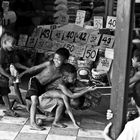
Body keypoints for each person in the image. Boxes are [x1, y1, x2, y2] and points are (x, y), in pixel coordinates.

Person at [19, 48, 70, 130]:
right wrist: (22, 74)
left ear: (65, 61)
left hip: (43, 87)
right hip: (35, 82)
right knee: (34, 102)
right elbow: (34, 68)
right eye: (55, 58)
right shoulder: (49, 64)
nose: (56, 61)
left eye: (59, 60)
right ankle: (32, 123)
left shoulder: (62, 72)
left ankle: (55, 121)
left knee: (55, 103)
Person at [39, 63, 93, 128]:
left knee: (59, 115)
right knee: (61, 103)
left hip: (51, 99)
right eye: (73, 78)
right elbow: (71, 96)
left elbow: (75, 88)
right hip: (44, 100)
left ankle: (42, 120)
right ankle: (55, 122)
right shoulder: (61, 87)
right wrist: (87, 90)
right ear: (64, 78)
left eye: (76, 77)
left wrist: (87, 88)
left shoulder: (67, 82)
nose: (75, 79)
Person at [0, 31, 28, 116]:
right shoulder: (1, 53)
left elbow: (15, 63)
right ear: (5, 43)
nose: (14, 45)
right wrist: (9, 76)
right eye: (12, 43)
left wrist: (27, 68)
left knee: (4, 92)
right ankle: (8, 109)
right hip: (2, 76)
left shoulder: (10, 52)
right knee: (4, 92)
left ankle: (7, 106)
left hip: (3, 77)